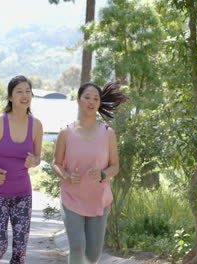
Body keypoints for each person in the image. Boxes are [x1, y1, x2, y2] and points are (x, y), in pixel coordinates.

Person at [52, 81, 128, 264]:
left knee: (93, 255)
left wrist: (103, 175)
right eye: (87, 97)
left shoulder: (108, 133)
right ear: (78, 100)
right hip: (72, 198)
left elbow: (115, 166)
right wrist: (66, 176)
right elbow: (56, 163)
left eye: (96, 98)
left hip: (98, 199)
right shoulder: (66, 132)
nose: (91, 102)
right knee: (77, 248)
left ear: (100, 103)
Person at [0, 75, 43, 264]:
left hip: (23, 194)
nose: (24, 95)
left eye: (28, 91)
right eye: (19, 91)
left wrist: (33, 162)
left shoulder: (36, 125)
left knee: (20, 251)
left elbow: (38, 157)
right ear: (10, 97)